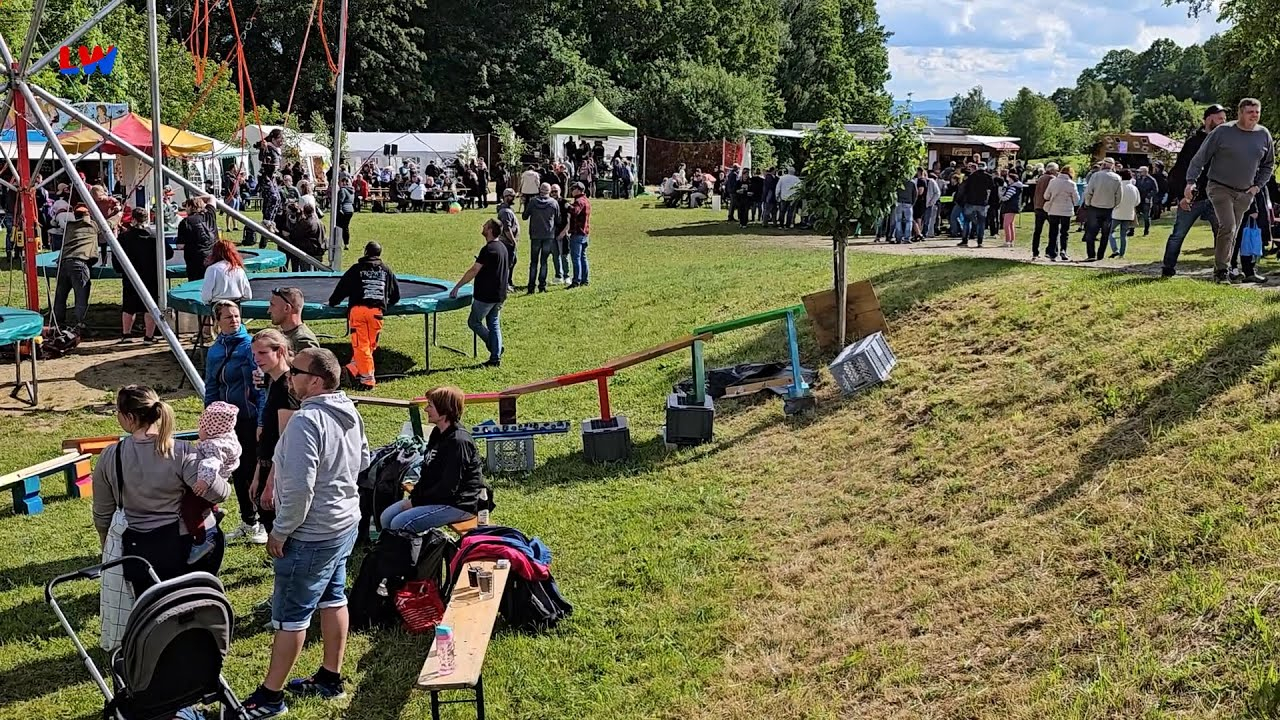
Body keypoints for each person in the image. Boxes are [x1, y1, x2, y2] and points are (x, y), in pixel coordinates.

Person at [239, 349, 367, 718]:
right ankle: (330, 677)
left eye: (294, 371)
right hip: (345, 523)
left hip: (311, 533)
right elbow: (362, 459)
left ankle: (270, 697)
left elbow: (298, 490)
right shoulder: (349, 410)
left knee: (291, 616)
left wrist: (279, 532)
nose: (288, 377)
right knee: (333, 598)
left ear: (315, 380)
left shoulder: (304, 421)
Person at [93, 385, 229, 595]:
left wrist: (107, 545)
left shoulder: (111, 455)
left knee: (152, 613)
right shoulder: (182, 451)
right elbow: (219, 493)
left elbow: (103, 514)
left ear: (129, 417)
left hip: (138, 551)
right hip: (187, 547)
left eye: (117, 412)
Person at [1183, 97, 1275, 283]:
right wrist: (1190, 182)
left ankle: (1229, 268)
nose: (1254, 116)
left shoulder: (1263, 134)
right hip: (1219, 187)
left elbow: (1268, 164)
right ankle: (1221, 272)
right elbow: (1200, 158)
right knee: (1228, 226)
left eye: (1257, 112)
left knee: (1233, 230)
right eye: (1250, 112)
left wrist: (1256, 187)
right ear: (1240, 113)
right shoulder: (1223, 132)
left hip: (1245, 192)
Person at [379, 386, 494, 532]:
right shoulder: (438, 432)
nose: (426, 409)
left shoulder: (458, 441)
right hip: (438, 498)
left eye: (430, 405)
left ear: (445, 410)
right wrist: (415, 498)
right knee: (386, 517)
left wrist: (417, 502)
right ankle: (389, 552)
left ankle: (410, 554)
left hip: (460, 504)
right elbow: (427, 472)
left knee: (400, 524)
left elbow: (448, 487)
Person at [205, 300, 266, 545]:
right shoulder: (215, 350)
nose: (234, 319)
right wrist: (210, 421)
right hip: (229, 423)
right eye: (228, 316)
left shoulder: (250, 347)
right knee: (238, 470)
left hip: (251, 418)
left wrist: (262, 420)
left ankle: (263, 521)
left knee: (256, 468)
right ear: (217, 321)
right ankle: (248, 520)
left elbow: (261, 387)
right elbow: (212, 385)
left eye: (237, 315)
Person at [1162, 104, 1228, 277]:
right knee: (1178, 234)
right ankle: (1168, 268)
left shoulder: (1224, 143)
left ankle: (1222, 270)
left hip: (1216, 197)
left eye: (1224, 119)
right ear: (1209, 119)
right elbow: (1179, 171)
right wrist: (1180, 196)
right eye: (1220, 118)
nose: (1223, 122)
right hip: (1193, 197)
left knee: (1222, 235)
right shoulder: (1193, 143)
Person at [328, 242, 400, 390]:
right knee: (370, 345)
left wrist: (333, 302)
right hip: (376, 313)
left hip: (359, 311)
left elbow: (342, 288)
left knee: (362, 346)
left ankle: (367, 380)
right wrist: (389, 302)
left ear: (365, 252)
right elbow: (395, 294)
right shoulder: (386, 270)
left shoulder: (356, 269)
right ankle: (352, 369)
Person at [248, 328, 299, 537]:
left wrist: (270, 484)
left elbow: (285, 442)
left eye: (262, 353)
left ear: (279, 351)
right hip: (266, 464)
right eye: (254, 355)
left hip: (279, 474)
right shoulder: (273, 382)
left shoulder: (286, 388)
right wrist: (257, 475)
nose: (257, 360)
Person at [184, 401, 241, 563]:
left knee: (189, 508)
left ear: (210, 430)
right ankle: (215, 511)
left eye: (201, 427)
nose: (198, 430)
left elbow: (211, 464)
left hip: (208, 482)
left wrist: (202, 481)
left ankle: (201, 540)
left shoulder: (211, 446)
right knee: (206, 502)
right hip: (220, 481)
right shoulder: (228, 437)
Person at [452, 219, 509, 367]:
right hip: (499, 295)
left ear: (490, 230)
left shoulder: (488, 249)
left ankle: (494, 346)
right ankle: (495, 357)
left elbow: (474, 270)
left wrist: (457, 287)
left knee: (474, 322)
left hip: (486, 295)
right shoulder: (502, 247)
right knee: (494, 323)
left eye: (485, 225)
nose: (482, 227)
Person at [113, 208, 171, 344]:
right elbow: (168, 254)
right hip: (151, 275)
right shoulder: (154, 236)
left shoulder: (124, 237)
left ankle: (126, 334)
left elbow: (117, 257)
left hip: (130, 275)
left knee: (129, 306)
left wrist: (119, 270)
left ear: (132, 219)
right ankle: (148, 337)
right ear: (147, 219)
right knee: (150, 306)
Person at [54, 202, 98, 329]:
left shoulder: (69, 227)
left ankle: (58, 323)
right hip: (79, 263)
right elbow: (109, 224)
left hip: (63, 263)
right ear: (88, 215)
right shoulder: (92, 226)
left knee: (61, 296)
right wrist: (118, 213)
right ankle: (80, 324)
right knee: (81, 295)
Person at [1081, 158, 1121, 261]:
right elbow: (1119, 195)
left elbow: (1089, 191)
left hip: (1095, 207)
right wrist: (1114, 205)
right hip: (1108, 208)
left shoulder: (1096, 176)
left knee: (1091, 232)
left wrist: (1088, 203)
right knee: (1105, 233)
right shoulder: (1117, 178)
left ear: (1103, 165)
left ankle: (1091, 254)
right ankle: (1100, 255)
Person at [522, 182, 558, 294]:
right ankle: (542, 286)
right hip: (548, 235)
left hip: (535, 235)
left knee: (533, 262)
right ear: (549, 191)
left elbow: (524, 216)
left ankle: (531, 286)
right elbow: (558, 219)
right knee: (544, 261)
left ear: (539, 190)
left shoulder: (533, 202)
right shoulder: (553, 203)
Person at [1042, 165, 1079, 262]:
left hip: (1054, 210)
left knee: (1053, 232)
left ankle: (1052, 253)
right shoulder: (1071, 184)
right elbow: (1076, 200)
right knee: (1064, 232)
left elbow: (1046, 196)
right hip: (1066, 211)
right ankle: (1063, 250)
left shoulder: (1053, 181)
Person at [266, 286, 320, 351]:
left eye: (272, 305)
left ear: (286, 308)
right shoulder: (284, 334)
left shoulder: (303, 341)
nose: (269, 310)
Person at [179, 196, 219, 283]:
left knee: (196, 284)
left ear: (190, 207)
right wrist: (196, 198)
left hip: (195, 260)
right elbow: (211, 197)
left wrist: (192, 199)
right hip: (213, 256)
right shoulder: (210, 215)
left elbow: (180, 245)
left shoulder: (185, 222)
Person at [201, 239, 252, 304]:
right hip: (235, 306)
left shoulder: (212, 269)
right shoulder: (239, 269)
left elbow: (206, 295)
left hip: (218, 305)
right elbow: (248, 295)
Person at [1108, 169, 1141, 259]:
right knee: (1123, 234)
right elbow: (1137, 202)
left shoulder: (1118, 186)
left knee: (1110, 232)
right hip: (1129, 213)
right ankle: (1122, 253)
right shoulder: (1134, 188)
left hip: (1117, 213)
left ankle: (1115, 250)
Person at [1030, 163, 1058, 259]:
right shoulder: (1052, 179)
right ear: (1053, 170)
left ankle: (1035, 251)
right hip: (1048, 207)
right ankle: (1051, 251)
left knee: (1037, 231)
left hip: (1038, 206)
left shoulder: (1041, 178)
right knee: (1053, 230)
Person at [567, 181, 591, 288]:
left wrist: (567, 206)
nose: (572, 191)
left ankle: (576, 280)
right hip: (585, 233)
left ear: (578, 190)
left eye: (573, 189)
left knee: (576, 258)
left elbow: (575, 211)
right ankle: (585, 280)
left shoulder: (579, 201)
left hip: (577, 233)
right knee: (583, 257)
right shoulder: (586, 200)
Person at [288, 204, 326, 272]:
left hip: (309, 250)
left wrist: (299, 218)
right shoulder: (319, 221)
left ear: (305, 212)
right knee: (317, 270)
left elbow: (296, 234)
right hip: (320, 248)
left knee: (306, 271)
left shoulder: (307, 222)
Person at [497, 188, 520, 289]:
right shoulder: (505, 212)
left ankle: (508, 282)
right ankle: (505, 285)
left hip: (509, 242)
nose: (513, 198)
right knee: (507, 264)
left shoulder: (508, 210)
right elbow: (507, 229)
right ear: (506, 197)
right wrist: (513, 241)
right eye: (512, 196)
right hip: (507, 242)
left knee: (512, 262)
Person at [550, 185, 570, 284]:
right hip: (552, 233)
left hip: (562, 232)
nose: (554, 193)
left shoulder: (564, 203)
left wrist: (564, 232)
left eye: (555, 191)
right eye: (552, 191)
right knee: (555, 255)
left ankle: (567, 276)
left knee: (564, 255)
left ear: (560, 191)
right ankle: (558, 276)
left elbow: (569, 219)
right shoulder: (549, 202)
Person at [999, 174, 1024, 248]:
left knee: (1006, 225)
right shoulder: (1017, 187)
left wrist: (1000, 195)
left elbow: (1006, 198)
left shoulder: (1013, 188)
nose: (1008, 181)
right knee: (1010, 224)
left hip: (1010, 207)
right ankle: (1011, 240)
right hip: (1013, 207)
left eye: (1009, 179)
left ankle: (1007, 241)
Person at [335, 176, 355, 251]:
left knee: (339, 226)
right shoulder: (352, 190)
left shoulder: (343, 190)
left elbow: (341, 200)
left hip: (343, 210)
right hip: (350, 210)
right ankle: (346, 243)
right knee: (345, 227)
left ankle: (338, 242)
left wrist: (339, 209)